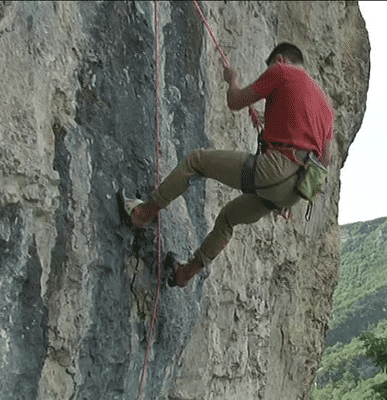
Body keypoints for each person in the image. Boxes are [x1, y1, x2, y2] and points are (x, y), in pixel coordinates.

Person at [126, 42, 334, 288]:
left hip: (275, 171)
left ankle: (144, 213)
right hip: (293, 191)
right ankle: (184, 273)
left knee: (196, 161)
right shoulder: (325, 105)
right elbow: (324, 159)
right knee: (227, 219)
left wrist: (231, 79)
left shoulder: (281, 71)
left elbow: (235, 101)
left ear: (280, 59)